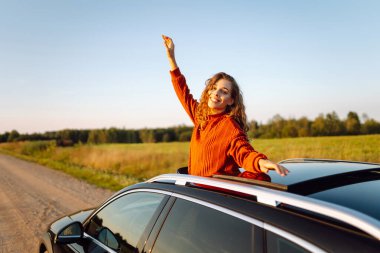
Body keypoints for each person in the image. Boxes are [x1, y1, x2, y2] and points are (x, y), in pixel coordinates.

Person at [162, 35, 289, 179]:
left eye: (224, 91)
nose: (216, 93)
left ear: (230, 101)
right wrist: (171, 58)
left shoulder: (229, 126)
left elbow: (244, 152)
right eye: (214, 88)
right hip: (196, 190)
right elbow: (182, 91)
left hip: (215, 195)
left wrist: (260, 161)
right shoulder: (200, 115)